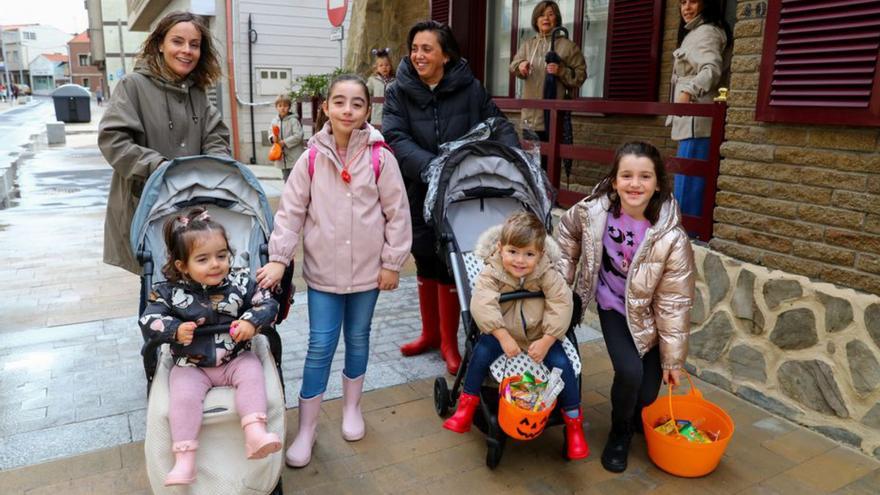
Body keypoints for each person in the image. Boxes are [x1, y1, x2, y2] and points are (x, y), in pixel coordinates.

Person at [257, 74, 412, 468]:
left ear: (367, 111)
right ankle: (306, 429)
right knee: (320, 346)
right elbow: (290, 212)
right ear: (325, 107)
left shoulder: (381, 157)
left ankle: (351, 409)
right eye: (339, 101)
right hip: (323, 274)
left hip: (368, 275)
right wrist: (279, 257)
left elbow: (397, 214)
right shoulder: (309, 159)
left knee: (358, 339)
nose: (347, 109)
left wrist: (392, 262)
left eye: (357, 103)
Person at [383, 20, 519, 375]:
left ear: (446, 55)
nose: (418, 55)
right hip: (417, 186)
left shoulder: (470, 88)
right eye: (414, 48)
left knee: (451, 263)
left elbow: (496, 123)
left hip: (460, 191)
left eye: (427, 49)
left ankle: (448, 341)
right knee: (425, 257)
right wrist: (431, 168)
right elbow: (395, 136)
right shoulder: (399, 90)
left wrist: (514, 156)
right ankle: (429, 334)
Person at [556, 141, 695, 473]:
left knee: (648, 393)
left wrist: (673, 360)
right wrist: (564, 283)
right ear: (614, 181)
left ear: (658, 183)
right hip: (613, 305)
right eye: (627, 176)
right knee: (629, 373)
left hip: (650, 315)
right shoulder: (593, 213)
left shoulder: (672, 239)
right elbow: (567, 235)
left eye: (645, 176)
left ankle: (634, 419)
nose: (635, 184)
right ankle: (619, 435)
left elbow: (675, 302)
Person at [139, 207, 281, 486]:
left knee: (252, 372)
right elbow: (149, 319)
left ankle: (255, 433)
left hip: (234, 358)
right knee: (181, 397)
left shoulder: (240, 283)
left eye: (221, 256)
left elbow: (268, 303)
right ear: (182, 265)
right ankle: (185, 460)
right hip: (191, 364)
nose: (215, 264)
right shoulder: (168, 292)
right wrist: (174, 330)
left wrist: (251, 321)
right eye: (202, 259)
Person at [442, 212, 589, 460]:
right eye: (513, 252)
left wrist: (547, 340)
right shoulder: (492, 272)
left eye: (529, 254)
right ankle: (466, 408)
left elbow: (562, 304)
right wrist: (501, 335)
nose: (520, 260)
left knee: (563, 365)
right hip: (503, 332)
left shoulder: (547, 273)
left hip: (539, 334)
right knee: (480, 353)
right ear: (501, 248)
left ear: (540, 254)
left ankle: (574, 427)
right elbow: (482, 304)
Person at [98, 11, 230, 274]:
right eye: (177, 41)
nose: (187, 50)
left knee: (195, 287)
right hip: (145, 207)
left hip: (190, 210)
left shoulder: (198, 93)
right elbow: (113, 138)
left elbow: (216, 136)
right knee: (156, 288)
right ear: (160, 44)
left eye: (194, 45)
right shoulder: (133, 86)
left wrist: (212, 166)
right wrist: (160, 167)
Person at [667, 0, 730, 218]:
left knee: (689, 186)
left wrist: (689, 91)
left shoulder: (706, 32)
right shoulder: (694, 32)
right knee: (685, 182)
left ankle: (689, 239)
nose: (686, 7)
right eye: (682, 2)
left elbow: (712, 69)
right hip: (688, 121)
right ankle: (683, 237)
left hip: (696, 122)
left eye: (693, 1)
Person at [510, 0, 586, 140]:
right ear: (536, 20)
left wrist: (561, 71)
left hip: (553, 119)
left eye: (550, 14)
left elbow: (580, 76)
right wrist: (520, 65)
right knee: (531, 161)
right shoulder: (528, 45)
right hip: (529, 118)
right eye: (541, 15)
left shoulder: (568, 46)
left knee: (550, 161)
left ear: (556, 18)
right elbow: (513, 66)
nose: (545, 18)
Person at [268, 93, 304, 182]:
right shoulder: (274, 121)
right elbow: (270, 133)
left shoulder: (293, 121)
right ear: (276, 107)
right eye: (280, 106)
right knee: (286, 178)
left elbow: (298, 135)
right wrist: (273, 138)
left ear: (289, 107)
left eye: (285, 106)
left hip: (294, 155)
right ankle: (288, 195)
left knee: (295, 178)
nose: (282, 108)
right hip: (281, 157)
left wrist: (284, 142)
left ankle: (296, 195)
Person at [365, 48, 395, 126]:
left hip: (391, 117)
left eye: (387, 65)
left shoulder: (394, 81)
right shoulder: (372, 80)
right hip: (376, 117)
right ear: (376, 67)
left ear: (390, 66)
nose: (384, 67)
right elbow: (366, 93)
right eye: (381, 65)